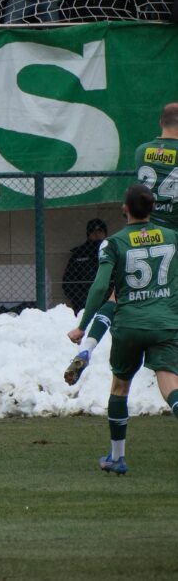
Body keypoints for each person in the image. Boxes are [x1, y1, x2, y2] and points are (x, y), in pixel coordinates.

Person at [66, 184, 178, 475]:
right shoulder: (172, 237)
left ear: (124, 209)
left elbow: (101, 286)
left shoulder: (113, 243)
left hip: (128, 323)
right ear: (153, 208)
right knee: (170, 385)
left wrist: (81, 325)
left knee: (120, 387)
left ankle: (117, 458)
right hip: (164, 323)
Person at [67, 103, 178, 383]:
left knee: (117, 296)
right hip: (170, 239)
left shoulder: (142, 151)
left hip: (141, 234)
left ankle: (87, 346)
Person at [61, 218, 107, 314]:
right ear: (88, 234)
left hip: (108, 303)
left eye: (100, 231)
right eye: (93, 232)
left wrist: (109, 299)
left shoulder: (112, 251)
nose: (97, 235)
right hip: (83, 305)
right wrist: (83, 300)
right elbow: (68, 282)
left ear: (105, 233)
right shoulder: (79, 254)